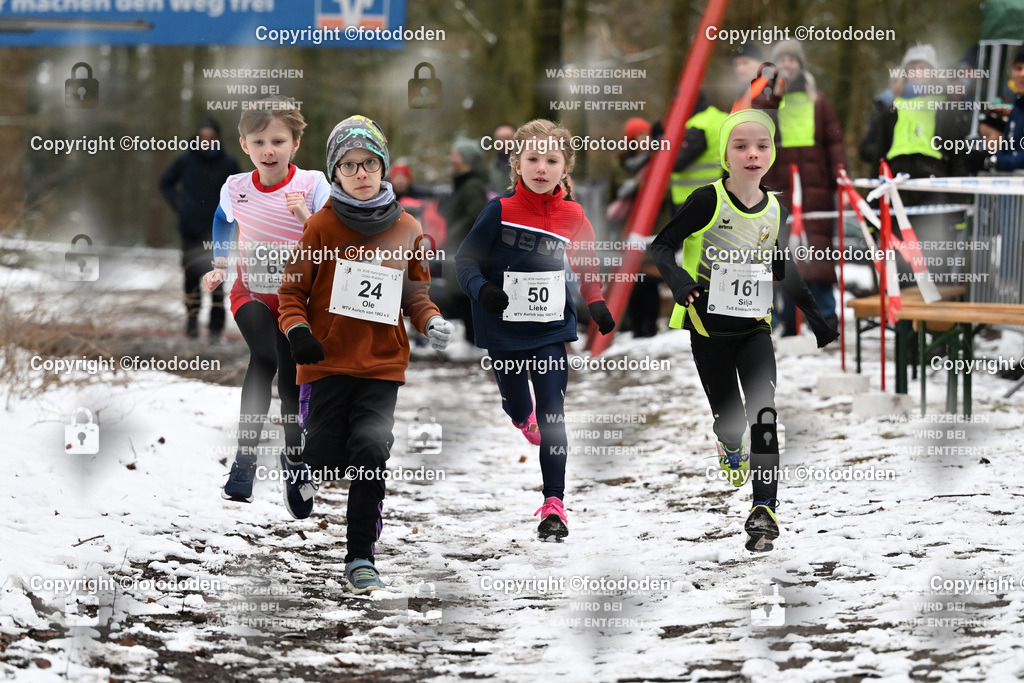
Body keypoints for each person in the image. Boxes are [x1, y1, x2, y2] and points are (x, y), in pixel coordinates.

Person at [277, 115, 454, 593]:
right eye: (350, 165)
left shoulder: (406, 227)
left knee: (371, 452)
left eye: (369, 163)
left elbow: (415, 294)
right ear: (335, 172)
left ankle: (360, 557)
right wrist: (298, 334)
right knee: (329, 456)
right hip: (326, 361)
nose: (361, 173)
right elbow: (292, 292)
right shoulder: (320, 226)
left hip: (381, 365)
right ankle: (301, 464)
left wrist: (430, 321)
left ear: (383, 167)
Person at [650, 110, 838, 552]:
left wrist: (815, 318)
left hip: (754, 328)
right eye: (741, 146)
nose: (753, 154)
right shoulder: (706, 200)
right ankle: (728, 443)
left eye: (762, 146)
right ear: (725, 155)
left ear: (772, 153)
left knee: (764, 414)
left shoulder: (776, 209)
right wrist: (681, 283)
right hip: (708, 329)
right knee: (732, 421)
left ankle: (764, 509)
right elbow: (660, 246)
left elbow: (780, 265)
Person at [455, 119, 616, 541]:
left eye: (551, 160)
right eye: (532, 159)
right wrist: (483, 291)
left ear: (565, 167)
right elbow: (465, 261)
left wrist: (596, 302)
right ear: (517, 163)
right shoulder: (501, 210)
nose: (541, 168)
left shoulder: (573, 215)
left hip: (549, 329)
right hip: (503, 329)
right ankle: (520, 416)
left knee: (554, 413)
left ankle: (554, 503)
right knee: (518, 405)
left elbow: (586, 264)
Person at [200, 97, 331, 504]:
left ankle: (295, 461)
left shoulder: (312, 185)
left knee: (293, 379)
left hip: (299, 300)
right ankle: (244, 461)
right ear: (244, 145)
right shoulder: (235, 187)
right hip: (252, 291)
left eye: (278, 141)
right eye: (259, 142)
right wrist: (221, 262)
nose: (268, 150)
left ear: (295, 144)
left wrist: (304, 220)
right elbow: (222, 220)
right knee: (265, 358)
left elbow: (334, 238)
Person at [159, 118, 240, 341]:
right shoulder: (185, 161)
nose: (206, 141)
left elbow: (241, 190)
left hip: (218, 231)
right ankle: (192, 322)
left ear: (217, 138)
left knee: (218, 279)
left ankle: (216, 328)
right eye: (203, 137)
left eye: (211, 137)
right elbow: (165, 183)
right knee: (191, 277)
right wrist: (180, 205)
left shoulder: (228, 163)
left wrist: (233, 211)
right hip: (191, 229)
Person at [440, 138, 490, 343]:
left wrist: (453, 232)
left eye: (455, 154)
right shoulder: (463, 183)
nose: (451, 158)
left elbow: (475, 216)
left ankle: (475, 341)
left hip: (468, 251)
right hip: (460, 249)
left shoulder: (472, 186)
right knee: (461, 296)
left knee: (465, 297)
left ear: (466, 159)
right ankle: (473, 341)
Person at [487, 122, 516, 196]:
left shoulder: (526, 167)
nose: (503, 142)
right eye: (499, 139)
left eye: (507, 138)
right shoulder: (490, 169)